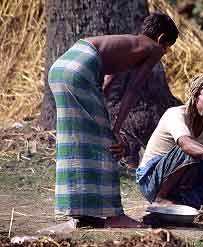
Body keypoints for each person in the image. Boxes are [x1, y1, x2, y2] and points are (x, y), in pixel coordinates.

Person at [48, 12, 179, 228]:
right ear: (161, 38)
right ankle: (115, 215)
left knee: (79, 139)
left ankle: (81, 209)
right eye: (168, 46)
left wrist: (105, 116)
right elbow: (133, 89)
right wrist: (115, 130)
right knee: (107, 144)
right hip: (80, 71)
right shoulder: (152, 48)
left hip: (63, 67)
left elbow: (108, 79)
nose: (165, 52)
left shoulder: (128, 43)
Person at [136, 73, 203, 209]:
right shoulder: (175, 114)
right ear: (195, 96)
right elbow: (185, 144)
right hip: (151, 180)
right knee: (191, 149)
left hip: (182, 184)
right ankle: (159, 198)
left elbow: (201, 162)